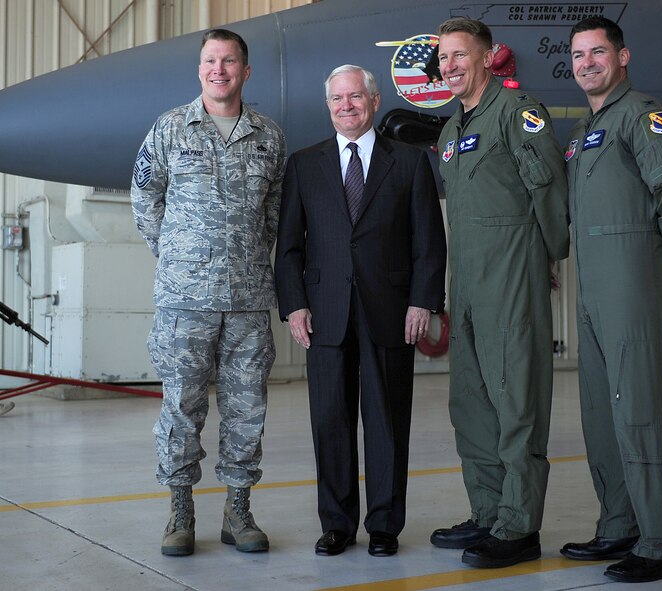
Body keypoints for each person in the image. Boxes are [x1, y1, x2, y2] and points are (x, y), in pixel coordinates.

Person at [274, 65, 447, 558]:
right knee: (330, 420)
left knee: (387, 420)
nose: (346, 105)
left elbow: (429, 244)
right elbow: (288, 247)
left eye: (355, 97)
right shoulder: (305, 165)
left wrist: (423, 300)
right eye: (337, 99)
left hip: (391, 310)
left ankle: (386, 524)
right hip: (325, 312)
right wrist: (294, 306)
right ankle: (337, 524)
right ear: (328, 106)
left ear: (374, 101)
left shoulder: (410, 163)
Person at [131, 28, 286, 557]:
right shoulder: (170, 129)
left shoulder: (269, 136)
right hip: (184, 301)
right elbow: (145, 195)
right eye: (209, 61)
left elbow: (276, 216)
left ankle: (238, 512)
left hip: (247, 302)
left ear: (246, 70)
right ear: (200, 69)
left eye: (229, 61)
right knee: (181, 407)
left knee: (248, 408)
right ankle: (180, 511)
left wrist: (242, 259)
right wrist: (176, 256)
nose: (218, 69)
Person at [560, 16, 662, 583]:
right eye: (577, 55)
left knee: (641, 405)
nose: (587, 63)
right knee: (600, 409)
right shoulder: (584, 132)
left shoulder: (642, 116)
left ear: (623, 57)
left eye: (597, 52)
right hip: (592, 284)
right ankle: (619, 523)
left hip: (633, 278)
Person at [429, 18, 570, 569]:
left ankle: (518, 526)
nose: (451, 65)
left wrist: (548, 254)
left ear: (487, 58)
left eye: (460, 55)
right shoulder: (449, 132)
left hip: (510, 282)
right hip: (464, 287)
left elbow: (548, 184)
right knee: (472, 406)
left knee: (516, 404)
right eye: (444, 58)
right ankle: (487, 513)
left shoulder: (516, 112)